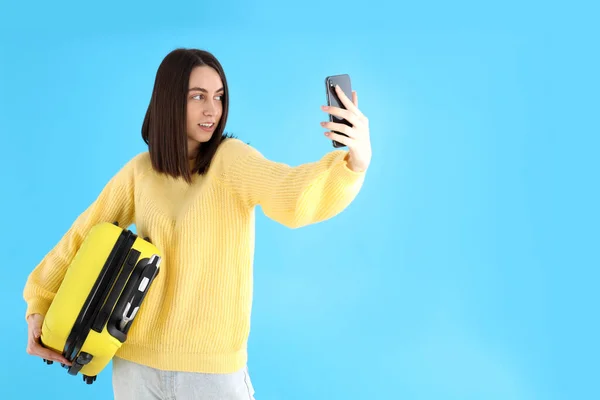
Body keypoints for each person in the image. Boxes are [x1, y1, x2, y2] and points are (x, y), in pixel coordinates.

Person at [23, 47, 371, 400]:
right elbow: (83, 235)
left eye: (219, 97)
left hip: (212, 375)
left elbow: (290, 195)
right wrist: (38, 303)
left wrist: (353, 163)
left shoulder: (231, 160)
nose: (212, 110)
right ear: (170, 100)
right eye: (198, 96)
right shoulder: (140, 172)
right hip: (135, 370)